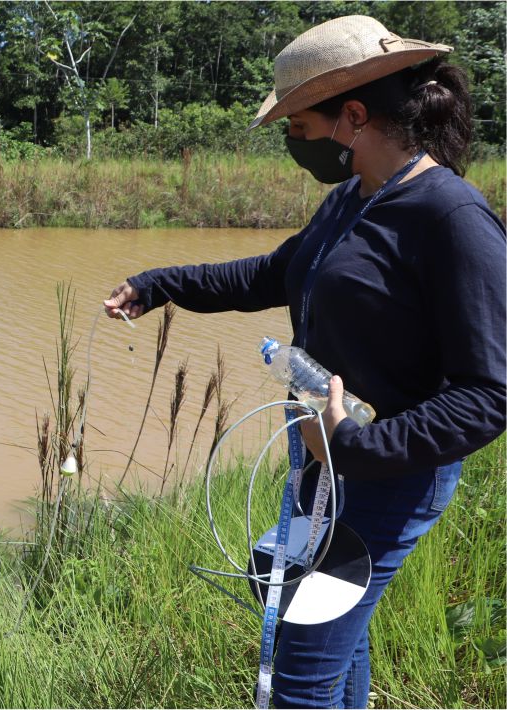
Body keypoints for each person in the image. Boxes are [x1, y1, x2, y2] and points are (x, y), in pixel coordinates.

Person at [103, 15, 505, 709]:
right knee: (329, 642)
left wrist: (355, 445)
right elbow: (272, 275)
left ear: (354, 115)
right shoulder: (350, 199)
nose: (295, 145)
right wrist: (160, 284)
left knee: (299, 674)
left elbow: (488, 394)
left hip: (388, 477)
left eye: (300, 128)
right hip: (325, 464)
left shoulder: (451, 218)